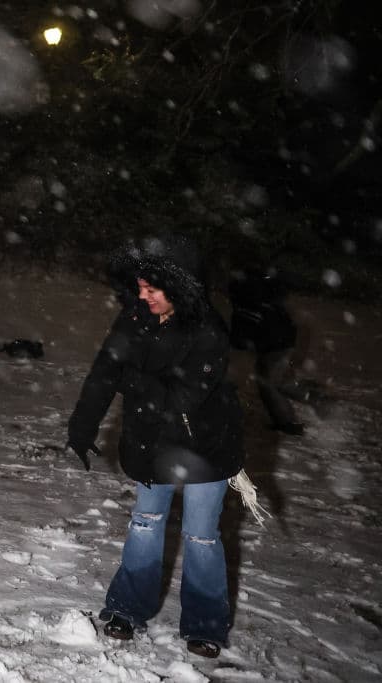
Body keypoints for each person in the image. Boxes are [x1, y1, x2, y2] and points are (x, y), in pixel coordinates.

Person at [66, 234, 245, 659]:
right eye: (139, 288)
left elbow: (181, 398)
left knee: (201, 536)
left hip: (207, 444)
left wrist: (129, 381)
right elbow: (103, 371)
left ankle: (204, 625)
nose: (143, 297)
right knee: (145, 522)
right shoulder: (135, 318)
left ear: (179, 286)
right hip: (151, 441)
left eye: (152, 289)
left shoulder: (209, 330)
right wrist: (82, 425)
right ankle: (127, 609)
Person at [227, 268, 314, 435]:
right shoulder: (257, 289)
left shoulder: (245, 299)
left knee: (269, 384)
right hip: (279, 337)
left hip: (275, 340)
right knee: (271, 381)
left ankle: (290, 423)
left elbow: (239, 342)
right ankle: (292, 415)